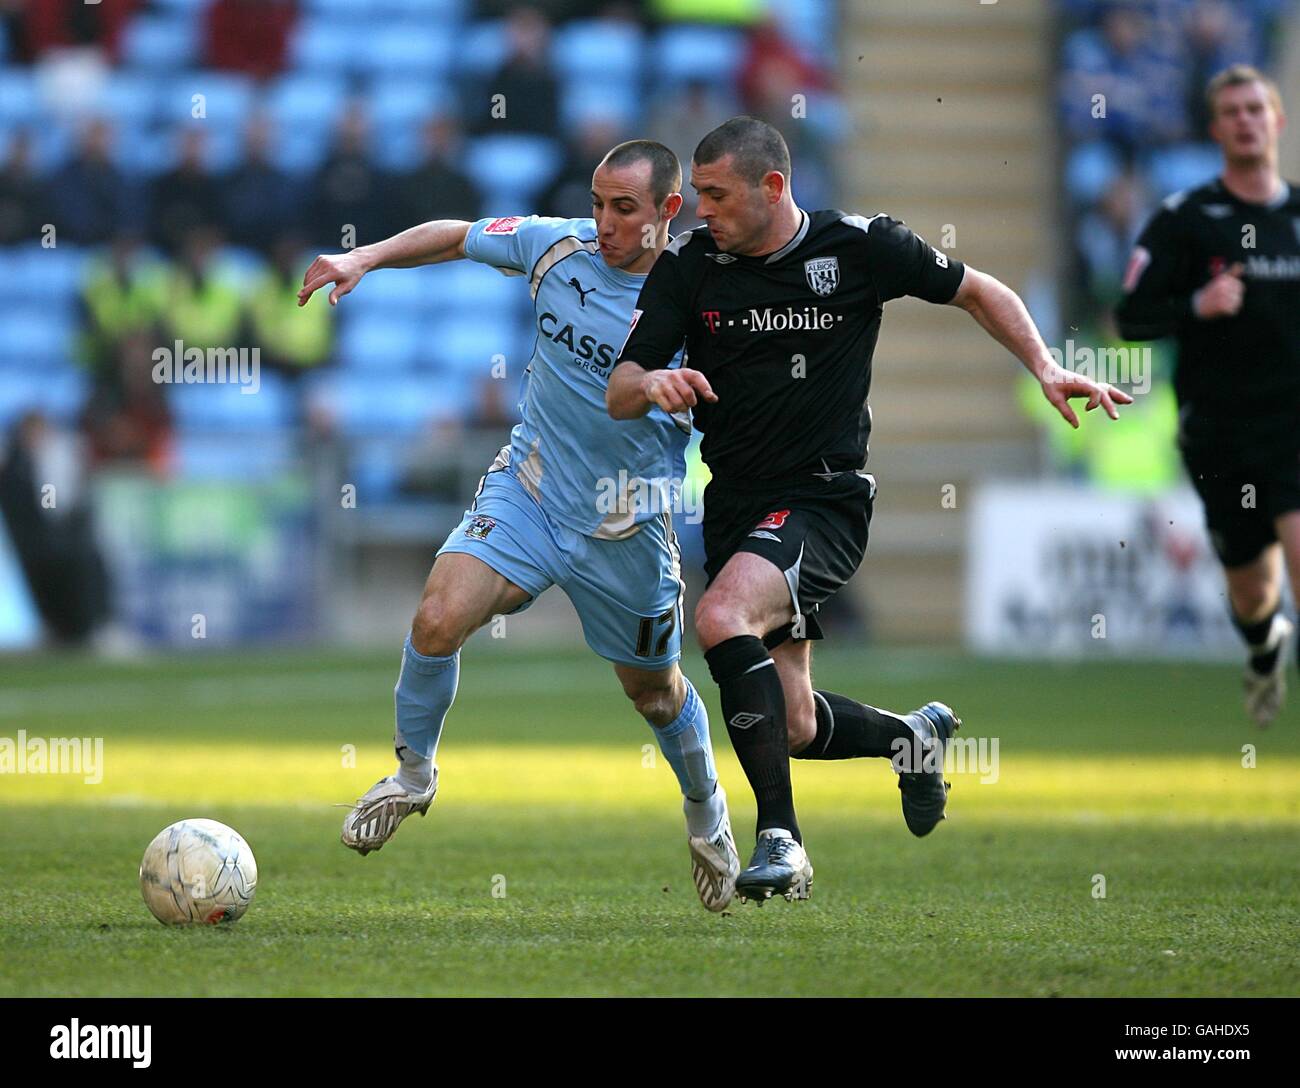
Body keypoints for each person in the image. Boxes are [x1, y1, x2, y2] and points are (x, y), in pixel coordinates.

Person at [609, 116, 1130, 903]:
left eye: (714, 194)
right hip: (736, 505)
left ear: (773, 186)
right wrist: (653, 383)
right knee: (792, 726)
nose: (699, 209)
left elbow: (978, 291)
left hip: (822, 497)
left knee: (718, 619)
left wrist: (1047, 365)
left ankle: (780, 842)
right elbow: (622, 387)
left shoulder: (859, 247)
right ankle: (910, 740)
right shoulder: (691, 268)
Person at [297, 140, 741, 911]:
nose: (603, 221)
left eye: (624, 208)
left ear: (669, 211)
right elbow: (457, 233)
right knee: (438, 617)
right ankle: (413, 774)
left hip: (626, 521)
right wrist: (362, 259)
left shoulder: (700, 295)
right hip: (530, 489)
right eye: (599, 202)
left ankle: (706, 809)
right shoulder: (554, 247)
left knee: (655, 694)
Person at [1117, 65, 1300, 727]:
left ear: (1277, 120)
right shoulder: (1185, 221)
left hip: (1294, 426)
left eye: (1257, 108)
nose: (1247, 120)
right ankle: (1262, 645)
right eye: (1232, 111)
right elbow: (1130, 316)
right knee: (1253, 590)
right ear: (1216, 128)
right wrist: (1197, 303)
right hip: (1220, 430)